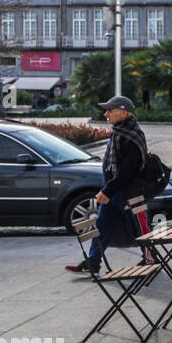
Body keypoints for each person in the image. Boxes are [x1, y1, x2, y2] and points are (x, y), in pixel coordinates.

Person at [66, 96, 147, 275]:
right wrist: (109, 189)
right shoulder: (119, 132)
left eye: (110, 110)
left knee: (140, 228)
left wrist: (108, 190)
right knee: (102, 226)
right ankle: (93, 262)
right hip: (114, 192)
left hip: (130, 193)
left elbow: (127, 171)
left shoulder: (132, 136)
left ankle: (151, 258)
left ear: (123, 112)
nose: (106, 114)